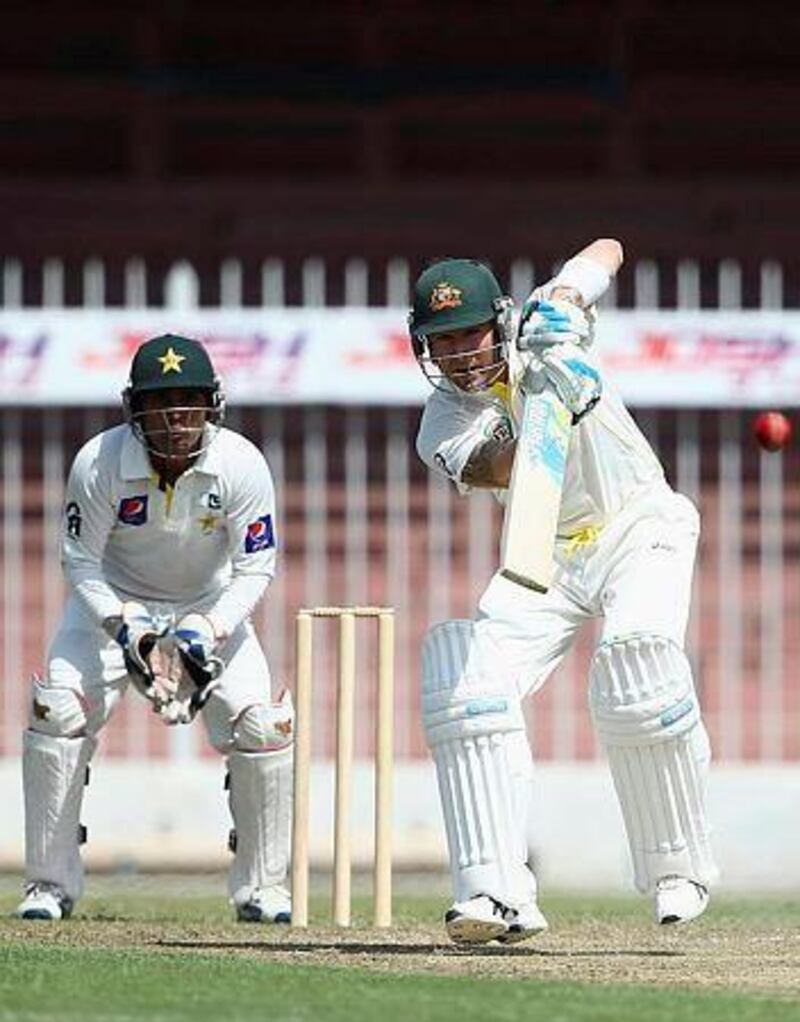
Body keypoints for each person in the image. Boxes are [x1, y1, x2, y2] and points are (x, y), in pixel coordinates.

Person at [409, 241, 718, 945]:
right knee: (465, 684)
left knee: (637, 668)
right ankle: (494, 892)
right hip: (542, 551)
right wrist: (556, 397)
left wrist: (570, 302)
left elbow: (607, 248)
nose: (458, 352)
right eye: (440, 340)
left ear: (502, 322)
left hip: (639, 525)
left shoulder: (546, 326)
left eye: (469, 333)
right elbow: (496, 467)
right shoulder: (441, 422)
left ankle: (678, 868)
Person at [15, 334, 293, 924]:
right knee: (57, 713)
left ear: (212, 404)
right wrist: (126, 627)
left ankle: (262, 889)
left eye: (189, 401)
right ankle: (48, 884)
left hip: (212, 604)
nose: (175, 418)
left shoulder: (240, 463)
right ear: (133, 408)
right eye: (160, 402)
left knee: (264, 729)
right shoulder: (98, 462)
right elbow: (80, 561)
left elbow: (256, 566)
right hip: (113, 606)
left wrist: (205, 629)